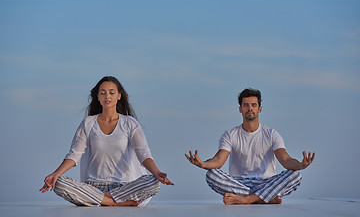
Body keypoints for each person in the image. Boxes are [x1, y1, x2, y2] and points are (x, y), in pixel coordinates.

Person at [40, 76, 174, 206]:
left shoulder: (129, 123)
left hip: (124, 187)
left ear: (119, 96)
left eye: (111, 92)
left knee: (153, 183)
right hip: (93, 186)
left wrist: (156, 173)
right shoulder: (88, 123)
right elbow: (74, 155)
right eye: (103, 93)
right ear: (98, 97)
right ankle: (114, 203)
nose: (107, 96)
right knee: (58, 183)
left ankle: (101, 200)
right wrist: (56, 174)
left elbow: (143, 154)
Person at [185, 88, 315, 205]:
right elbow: (218, 160)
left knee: (296, 175)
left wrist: (300, 165)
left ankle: (247, 199)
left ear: (260, 109)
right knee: (211, 174)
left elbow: (285, 160)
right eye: (246, 105)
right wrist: (202, 164)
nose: (250, 109)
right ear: (240, 109)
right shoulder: (230, 134)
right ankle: (264, 198)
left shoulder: (271, 134)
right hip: (239, 184)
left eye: (253, 105)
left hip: (267, 183)